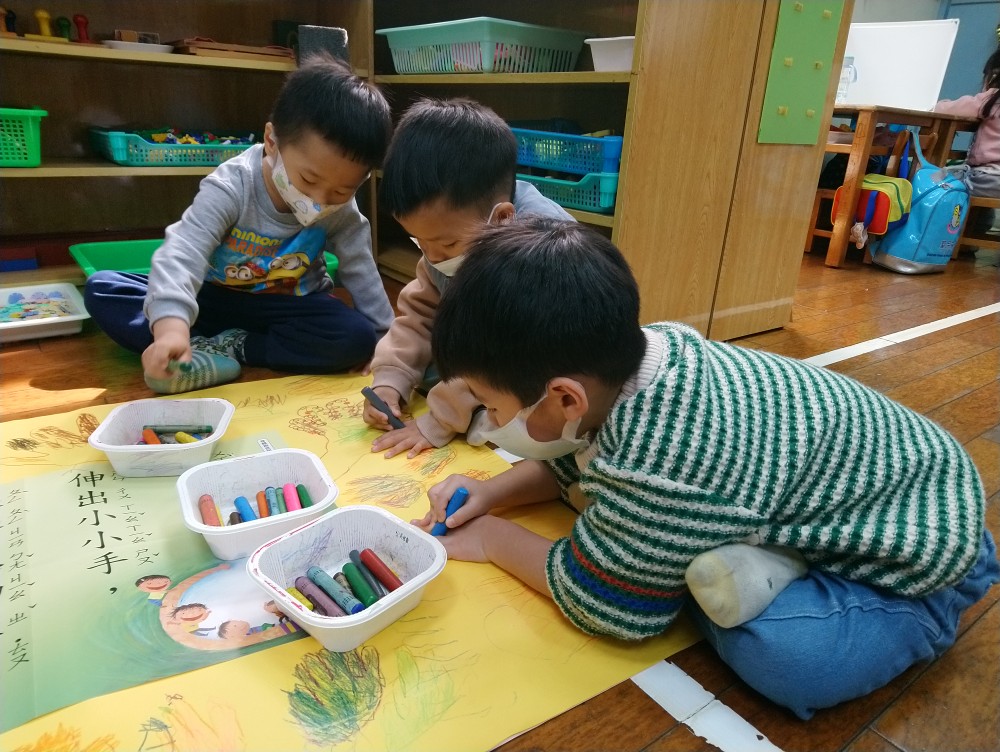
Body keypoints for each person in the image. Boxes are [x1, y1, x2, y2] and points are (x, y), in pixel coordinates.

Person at [413, 217, 999, 720]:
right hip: (870, 478)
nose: (491, 422)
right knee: (653, 547)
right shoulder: (636, 362)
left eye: (492, 407)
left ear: (566, 398)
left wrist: (491, 538)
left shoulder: (663, 460)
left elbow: (605, 604)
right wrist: (493, 493)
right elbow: (576, 460)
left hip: (923, 548)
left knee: (789, 661)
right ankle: (723, 544)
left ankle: (931, 611)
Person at [83, 54, 395, 394]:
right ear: (272, 142)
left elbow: (361, 269)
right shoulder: (233, 186)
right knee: (103, 289)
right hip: (213, 299)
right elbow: (185, 251)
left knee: (356, 337)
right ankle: (188, 344)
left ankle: (232, 348)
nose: (321, 200)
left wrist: (385, 341)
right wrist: (171, 327)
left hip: (289, 306)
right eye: (308, 179)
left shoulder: (342, 210)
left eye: (342, 190)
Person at [362, 97, 573, 457]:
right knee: (430, 373)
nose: (432, 256)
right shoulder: (452, 232)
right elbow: (419, 314)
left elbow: (497, 353)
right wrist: (390, 380)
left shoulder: (536, 253)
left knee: (533, 422)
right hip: (488, 357)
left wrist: (437, 421)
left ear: (502, 218)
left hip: (545, 360)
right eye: (419, 241)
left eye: (446, 243)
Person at [935, 45, 1000, 234]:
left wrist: (941, 103)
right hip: (991, 180)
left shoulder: (991, 99)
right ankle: (975, 232)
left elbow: (945, 109)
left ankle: (947, 236)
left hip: (990, 178)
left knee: (937, 179)